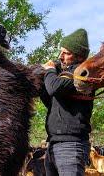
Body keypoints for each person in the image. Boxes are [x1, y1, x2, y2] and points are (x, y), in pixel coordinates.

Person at [40, 28, 94, 176]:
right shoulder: (64, 74)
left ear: (79, 56)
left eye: (66, 53)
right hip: (54, 143)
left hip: (71, 145)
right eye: (61, 52)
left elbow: (54, 87)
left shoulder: (81, 74)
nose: (60, 57)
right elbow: (51, 100)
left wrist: (50, 70)